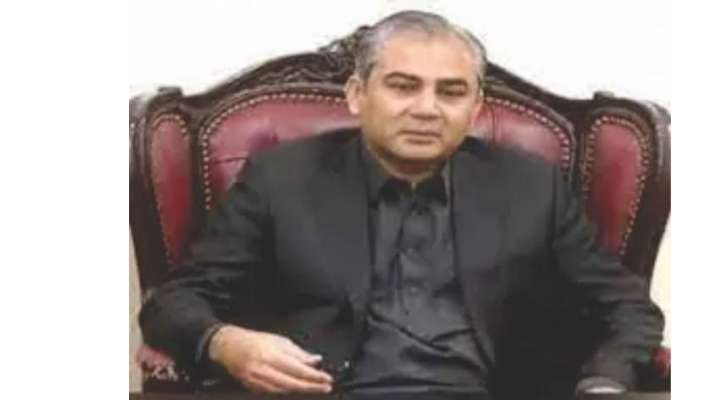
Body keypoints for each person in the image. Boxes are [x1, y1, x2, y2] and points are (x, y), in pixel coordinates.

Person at [139, 10, 664, 400]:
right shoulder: (282, 179)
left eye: (451, 92)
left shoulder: (530, 187)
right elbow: (172, 302)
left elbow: (627, 307)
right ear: (356, 94)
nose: (427, 109)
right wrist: (225, 343)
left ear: (475, 108)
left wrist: (605, 382)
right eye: (403, 87)